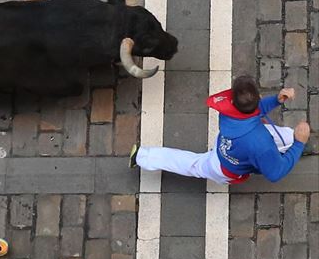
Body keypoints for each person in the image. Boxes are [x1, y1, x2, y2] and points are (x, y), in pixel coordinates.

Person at [130, 77, 311, 184]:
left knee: (190, 163)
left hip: (228, 144)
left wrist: (277, 100)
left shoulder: (229, 109)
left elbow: (251, 110)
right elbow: (275, 173)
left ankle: (143, 155)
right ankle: (298, 148)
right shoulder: (261, 143)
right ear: (259, 97)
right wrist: (299, 143)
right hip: (226, 166)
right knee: (289, 140)